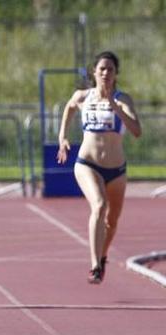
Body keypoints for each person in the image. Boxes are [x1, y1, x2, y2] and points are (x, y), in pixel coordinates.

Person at [57, 51, 141, 284]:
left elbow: (136, 131)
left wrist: (113, 104)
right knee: (99, 205)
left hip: (116, 170)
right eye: (102, 69)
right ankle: (95, 266)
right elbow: (69, 107)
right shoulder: (83, 96)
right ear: (94, 72)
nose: (105, 73)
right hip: (87, 164)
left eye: (110, 70)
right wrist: (63, 136)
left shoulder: (123, 100)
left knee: (112, 221)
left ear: (116, 75)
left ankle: (103, 256)